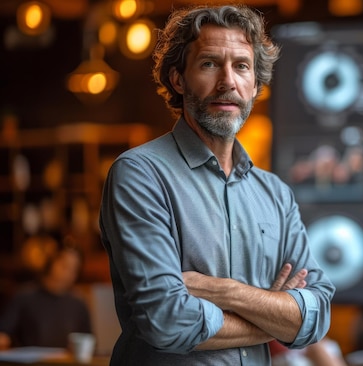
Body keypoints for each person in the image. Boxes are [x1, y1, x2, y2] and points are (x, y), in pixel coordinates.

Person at [98, 4, 335, 365]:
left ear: (255, 83)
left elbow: (317, 316)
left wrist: (224, 291)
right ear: (178, 79)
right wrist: (276, 319)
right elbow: (167, 321)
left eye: (241, 66)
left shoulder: (275, 194)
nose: (228, 82)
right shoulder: (140, 175)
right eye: (209, 63)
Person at [0, 242, 91, 349]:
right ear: (51, 262)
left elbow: (88, 341)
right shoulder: (24, 296)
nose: (68, 273)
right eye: (64, 265)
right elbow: (4, 333)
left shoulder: (78, 304)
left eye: (74, 269)